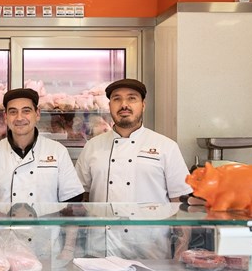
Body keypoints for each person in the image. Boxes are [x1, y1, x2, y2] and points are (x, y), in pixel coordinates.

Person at [74, 78, 193, 259]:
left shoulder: (166, 146)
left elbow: (180, 204)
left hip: (151, 249)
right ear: (110, 105)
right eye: (117, 99)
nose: (124, 105)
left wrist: (179, 254)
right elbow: (82, 199)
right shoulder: (92, 147)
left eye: (132, 98)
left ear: (143, 105)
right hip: (100, 249)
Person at [0, 88, 84, 261]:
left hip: (46, 251)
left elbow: (73, 207)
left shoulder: (57, 152)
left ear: (37, 114)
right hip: (2, 252)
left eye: (26, 111)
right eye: (13, 112)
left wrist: (68, 249)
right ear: (5, 116)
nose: (20, 118)